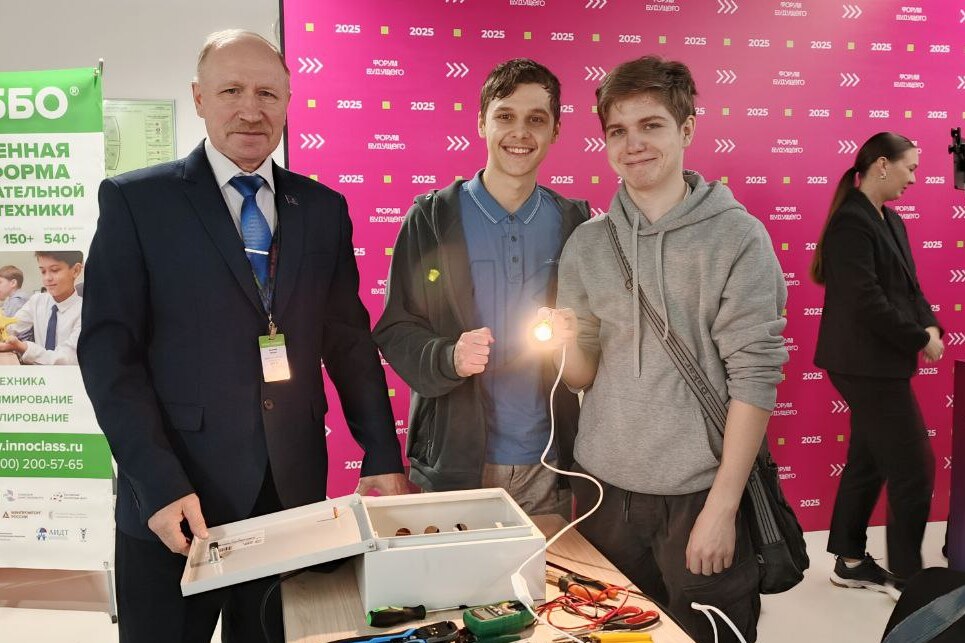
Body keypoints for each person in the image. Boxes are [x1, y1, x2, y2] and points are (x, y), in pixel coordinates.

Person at [77, 30, 407, 643]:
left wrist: (383, 455)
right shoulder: (137, 202)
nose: (251, 110)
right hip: (178, 500)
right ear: (199, 97)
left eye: (268, 93)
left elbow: (348, 341)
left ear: (288, 101)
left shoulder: (323, 208)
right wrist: (158, 483)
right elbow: (108, 356)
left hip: (289, 494)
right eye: (231, 91)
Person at [540, 56, 788, 643]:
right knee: (610, 635)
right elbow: (582, 376)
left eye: (651, 125)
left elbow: (754, 379)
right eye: (618, 131)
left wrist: (723, 507)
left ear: (687, 129)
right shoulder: (587, 243)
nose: (633, 145)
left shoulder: (738, 236)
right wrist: (564, 345)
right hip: (603, 494)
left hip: (699, 495)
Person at [372, 59, 588, 518]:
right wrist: (449, 357)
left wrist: (573, 335)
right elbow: (396, 329)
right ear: (481, 123)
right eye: (505, 116)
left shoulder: (577, 223)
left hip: (549, 464)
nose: (520, 132)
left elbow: (596, 338)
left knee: (548, 569)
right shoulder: (431, 219)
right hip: (454, 461)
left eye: (536, 119)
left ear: (556, 130)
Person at [812, 132, 941, 598]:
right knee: (915, 469)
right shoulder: (851, 222)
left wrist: (930, 324)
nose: (915, 178)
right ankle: (909, 580)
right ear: (883, 165)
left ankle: (849, 561)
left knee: (868, 460)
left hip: (880, 362)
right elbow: (866, 301)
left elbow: (910, 288)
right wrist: (918, 338)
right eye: (911, 167)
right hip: (863, 363)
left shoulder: (890, 218)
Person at [0, 251, 83, 364]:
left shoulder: (86, 312)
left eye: (55, 270)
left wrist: (24, 347)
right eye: (43, 271)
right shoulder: (37, 301)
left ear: (76, 270)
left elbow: (66, 359)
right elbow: (11, 326)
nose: (47, 278)